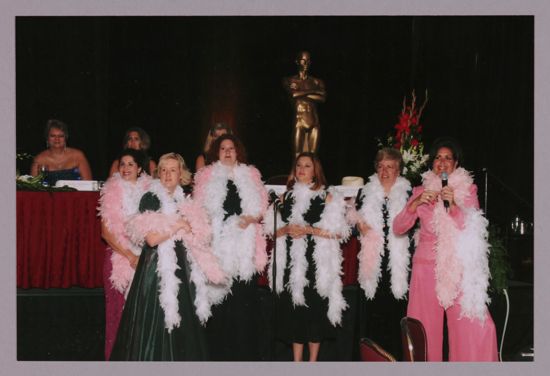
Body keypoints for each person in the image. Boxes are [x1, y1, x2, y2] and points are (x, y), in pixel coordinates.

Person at [110, 153, 225, 361]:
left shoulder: (184, 200)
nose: (167, 174)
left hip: (181, 267)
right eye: (163, 170)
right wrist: (178, 224)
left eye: (172, 170)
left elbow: (198, 238)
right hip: (155, 271)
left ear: (181, 174)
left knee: (182, 322)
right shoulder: (151, 197)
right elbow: (152, 239)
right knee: (157, 323)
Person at [393, 137, 498, 361]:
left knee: (475, 328)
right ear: (432, 163)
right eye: (438, 158)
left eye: (447, 158)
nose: (442, 162)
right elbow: (398, 227)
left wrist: (455, 207)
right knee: (424, 332)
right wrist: (415, 203)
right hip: (425, 270)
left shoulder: (469, 190)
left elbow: (473, 228)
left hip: (457, 269)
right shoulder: (420, 191)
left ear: (456, 163)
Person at [264, 152, 350, 361]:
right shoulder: (285, 198)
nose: (302, 169)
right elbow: (271, 230)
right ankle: (297, 363)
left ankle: (312, 363)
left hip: (315, 263)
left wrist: (308, 230)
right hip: (292, 266)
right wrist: (286, 230)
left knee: (314, 314)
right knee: (295, 312)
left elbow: (339, 232)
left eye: (307, 166)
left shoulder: (327, 196)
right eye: (299, 166)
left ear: (315, 171)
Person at [193, 133, 268, 361]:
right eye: (223, 148)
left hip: (245, 249)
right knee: (220, 304)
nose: (227, 151)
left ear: (238, 152)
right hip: (218, 248)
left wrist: (251, 218)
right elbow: (198, 209)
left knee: (243, 305)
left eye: (232, 148)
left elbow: (263, 207)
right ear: (217, 152)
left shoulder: (251, 175)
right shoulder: (206, 176)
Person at [348, 147, 412, 359]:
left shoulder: (409, 194)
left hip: (399, 263)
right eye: (381, 166)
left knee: (396, 311)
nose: (385, 171)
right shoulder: (365, 192)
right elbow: (351, 220)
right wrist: (358, 225)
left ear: (399, 170)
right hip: (372, 261)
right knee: (372, 313)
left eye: (390, 167)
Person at [98, 148, 152, 360]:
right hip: (119, 259)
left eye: (131, 164)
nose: (126, 168)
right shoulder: (111, 190)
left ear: (140, 168)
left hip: (144, 258)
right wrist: (129, 256)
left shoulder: (150, 191)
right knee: (118, 316)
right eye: (123, 164)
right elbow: (105, 232)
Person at [283, 51, 326, 157]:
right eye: (303, 60)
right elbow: (293, 95)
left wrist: (300, 93)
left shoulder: (316, 82)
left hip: (313, 121)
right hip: (299, 121)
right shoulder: (289, 80)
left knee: (313, 158)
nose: (306, 64)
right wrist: (314, 91)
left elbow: (322, 98)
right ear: (297, 62)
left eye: (308, 61)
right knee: (297, 156)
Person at [30, 119, 92, 184]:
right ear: (47, 138)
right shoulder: (39, 159)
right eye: (53, 136)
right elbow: (33, 188)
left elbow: (89, 185)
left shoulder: (78, 156)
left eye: (61, 136)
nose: (57, 139)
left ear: (66, 138)